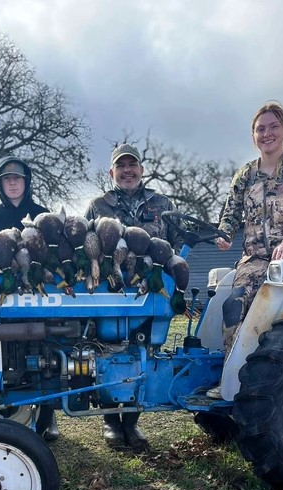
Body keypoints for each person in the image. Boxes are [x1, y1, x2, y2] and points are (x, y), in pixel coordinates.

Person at [208, 100, 283, 398]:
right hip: (255, 259)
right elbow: (230, 215)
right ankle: (232, 381)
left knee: (279, 316)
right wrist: (224, 235)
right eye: (261, 129)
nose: (267, 133)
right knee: (233, 304)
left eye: (273, 126)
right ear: (253, 135)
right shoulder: (245, 175)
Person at [84, 143, 179, 452]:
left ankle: (133, 422)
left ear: (141, 169)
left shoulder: (162, 203)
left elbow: (176, 245)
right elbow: (85, 246)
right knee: (110, 349)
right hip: (110, 291)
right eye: (121, 166)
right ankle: (112, 422)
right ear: (112, 172)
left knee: (144, 350)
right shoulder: (98, 205)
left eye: (132, 165)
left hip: (151, 291)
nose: (127, 170)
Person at [0, 156, 60, 441]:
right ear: (1, 184)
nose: (12, 182)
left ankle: (48, 417)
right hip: (5, 297)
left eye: (18, 178)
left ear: (26, 183)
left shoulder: (43, 215)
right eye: (7, 179)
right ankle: (10, 414)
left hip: (38, 296)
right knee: (7, 354)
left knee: (46, 353)